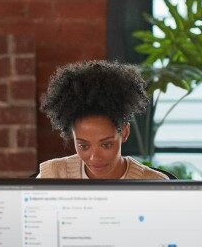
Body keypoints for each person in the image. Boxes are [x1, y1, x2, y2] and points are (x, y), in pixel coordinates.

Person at [36, 60, 168, 180]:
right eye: (83, 146)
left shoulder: (154, 183)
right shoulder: (52, 175)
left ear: (125, 132)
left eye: (106, 145)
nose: (94, 157)